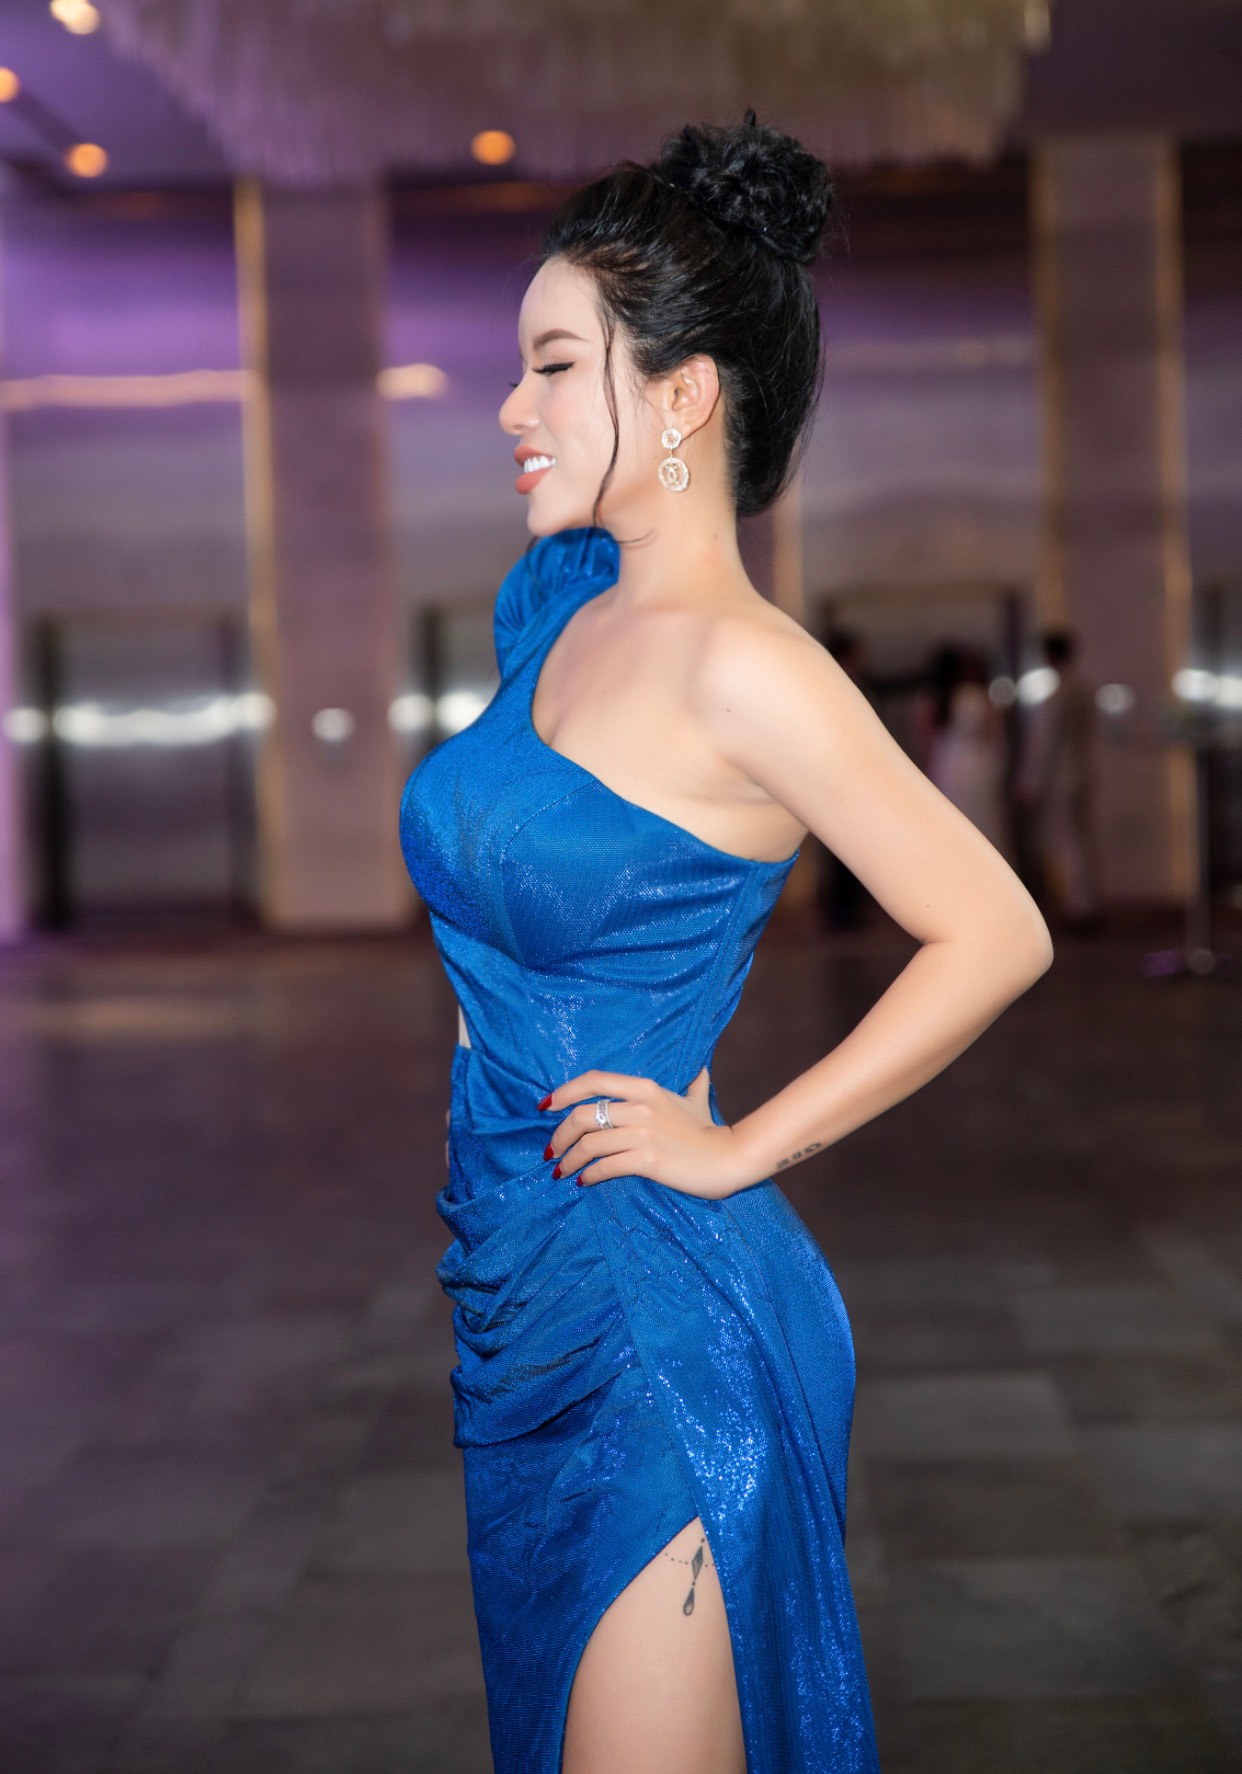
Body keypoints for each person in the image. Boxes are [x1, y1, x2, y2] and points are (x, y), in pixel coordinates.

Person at [400, 112, 1052, 1774]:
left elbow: (992, 928)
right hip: (513, 1279)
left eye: (555, 366)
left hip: (653, 1312)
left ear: (682, 395)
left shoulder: (746, 668)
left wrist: (741, 1142)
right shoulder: (558, 604)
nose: (511, 405)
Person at [1014, 628, 1102, 932]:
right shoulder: (1082, 687)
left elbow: (1046, 743)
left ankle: (1079, 907)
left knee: (1068, 843)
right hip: (1082, 774)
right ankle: (1086, 902)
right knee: (1081, 841)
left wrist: (1031, 781)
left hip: (1062, 780)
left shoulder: (1059, 693)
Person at [917, 643, 1011, 856]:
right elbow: (993, 737)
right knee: (981, 820)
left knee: (953, 819)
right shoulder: (981, 698)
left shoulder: (944, 698)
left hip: (948, 765)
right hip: (976, 765)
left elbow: (929, 740)